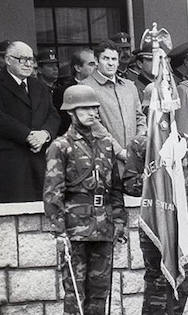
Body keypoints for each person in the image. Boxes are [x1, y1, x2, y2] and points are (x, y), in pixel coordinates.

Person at [43, 84, 125, 315]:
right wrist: (59, 232)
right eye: (84, 108)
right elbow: (53, 192)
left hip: (103, 227)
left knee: (100, 290)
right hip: (75, 229)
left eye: (94, 108)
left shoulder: (106, 144)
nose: (92, 113)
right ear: (71, 112)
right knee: (75, 292)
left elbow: (115, 188)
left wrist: (118, 221)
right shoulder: (61, 147)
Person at [122, 84, 188, 314]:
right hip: (155, 219)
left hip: (179, 221)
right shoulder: (141, 144)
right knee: (157, 280)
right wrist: (156, 184)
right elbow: (129, 184)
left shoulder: (181, 143)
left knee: (182, 277)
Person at [0, 41, 60, 203]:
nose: (28, 64)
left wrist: (44, 134)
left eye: (30, 59)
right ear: (8, 60)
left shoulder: (38, 85)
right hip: (11, 162)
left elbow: (53, 115)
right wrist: (27, 135)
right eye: (22, 59)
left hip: (40, 159)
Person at [80, 40, 147, 174]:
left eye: (114, 59)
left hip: (135, 162)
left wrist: (136, 148)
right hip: (104, 162)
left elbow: (140, 118)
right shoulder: (85, 88)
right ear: (96, 60)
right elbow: (93, 125)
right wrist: (119, 151)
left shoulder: (129, 86)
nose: (111, 63)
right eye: (105, 58)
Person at [54, 48, 97, 136]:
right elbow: (62, 124)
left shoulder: (101, 89)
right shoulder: (64, 92)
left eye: (97, 64)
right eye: (91, 64)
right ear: (78, 68)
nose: (96, 68)